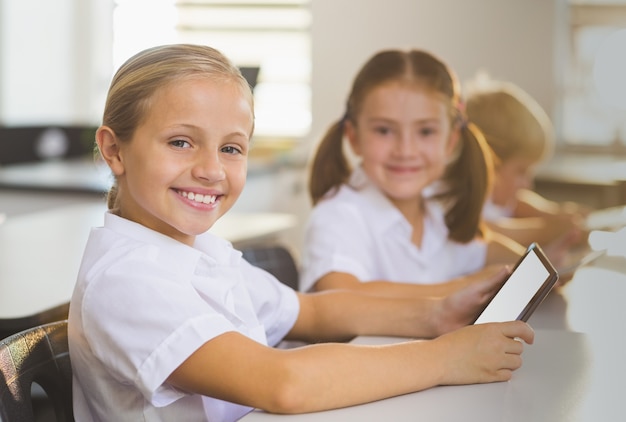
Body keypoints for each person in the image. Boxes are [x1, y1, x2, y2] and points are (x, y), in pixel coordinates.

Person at [67, 44, 534, 421]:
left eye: (231, 148)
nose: (211, 169)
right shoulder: (126, 281)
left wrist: (437, 316)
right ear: (114, 150)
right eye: (180, 142)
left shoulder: (204, 253)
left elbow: (309, 311)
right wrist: (445, 360)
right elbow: (282, 384)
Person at [300, 49, 524, 297]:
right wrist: (463, 287)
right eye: (384, 130)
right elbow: (341, 295)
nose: (405, 150)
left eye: (426, 132)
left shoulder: (434, 212)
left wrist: (533, 266)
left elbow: (484, 250)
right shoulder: (338, 215)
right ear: (354, 137)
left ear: (451, 141)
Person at [464, 76, 589, 249]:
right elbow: (482, 231)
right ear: (489, 162)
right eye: (521, 171)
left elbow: (517, 203)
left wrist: (552, 213)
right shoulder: (465, 199)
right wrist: (544, 231)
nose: (527, 184)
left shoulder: (498, 195)